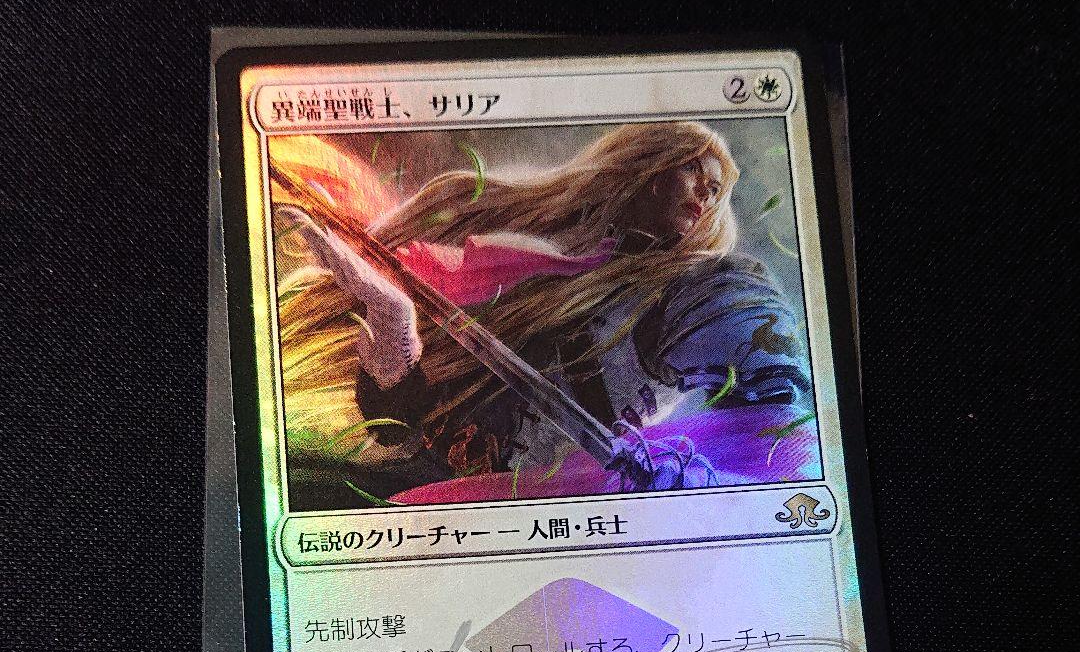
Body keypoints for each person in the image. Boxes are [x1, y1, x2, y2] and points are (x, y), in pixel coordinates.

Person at [276, 121, 818, 507]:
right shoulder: (549, 265)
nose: (705, 194)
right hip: (442, 494)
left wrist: (699, 484)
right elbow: (419, 428)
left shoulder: (704, 287)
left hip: (554, 517)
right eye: (692, 171)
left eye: (716, 189)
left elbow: (788, 435)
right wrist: (395, 359)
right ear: (646, 169)